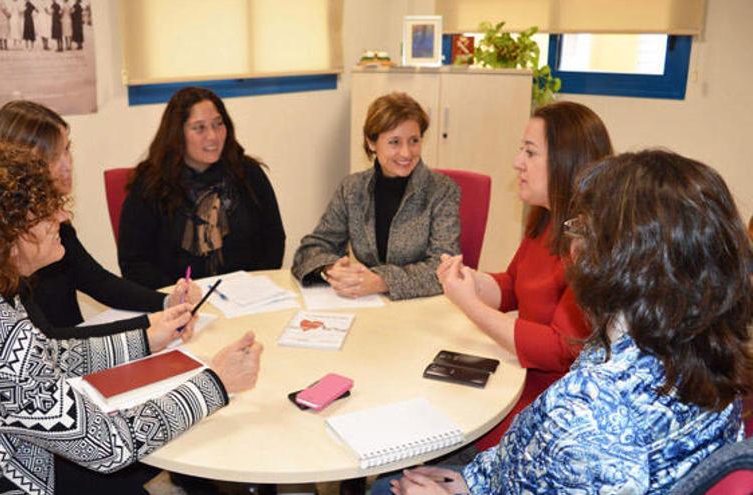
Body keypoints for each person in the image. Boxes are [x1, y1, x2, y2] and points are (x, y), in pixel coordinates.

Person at [0, 145, 263, 495]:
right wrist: (216, 383)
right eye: (45, 211)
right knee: (129, 462)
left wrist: (147, 338)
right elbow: (107, 446)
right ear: (3, 237)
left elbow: (44, 355)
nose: (62, 214)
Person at [376, 149, 753, 494]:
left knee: (384, 483)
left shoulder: (591, 413)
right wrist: (473, 479)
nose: (573, 245)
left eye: (582, 230)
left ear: (619, 263)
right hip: (505, 476)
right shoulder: (710, 350)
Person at [437, 101, 612, 448]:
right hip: (515, 382)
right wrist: (471, 281)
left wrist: (471, 305)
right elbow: (514, 285)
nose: (518, 162)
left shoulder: (590, 244)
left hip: (542, 411)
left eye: (530, 153)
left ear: (567, 162)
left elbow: (560, 348)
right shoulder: (548, 219)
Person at [0, 100, 201, 344]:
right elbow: (48, 342)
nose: (68, 165)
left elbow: (98, 281)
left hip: (81, 352)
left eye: (67, 149)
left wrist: (165, 302)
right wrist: (148, 328)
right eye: (54, 156)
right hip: (66, 363)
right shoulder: (4, 247)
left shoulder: (53, 221)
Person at [292, 92, 459, 301]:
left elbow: (445, 267)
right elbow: (310, 249)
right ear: (372, 143)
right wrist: (332, 267)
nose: (406, 153)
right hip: (369, 304)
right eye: (394, 142)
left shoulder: (442, 190)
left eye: (414, 141)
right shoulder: (352, 188)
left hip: (423, 307)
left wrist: (381, 281)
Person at [119, 87, 286, 289]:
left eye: (218, 124)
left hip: (247, 298)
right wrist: (176, 296)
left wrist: (255, 287)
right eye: (199, 128)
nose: (212, 136)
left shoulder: (248, 174)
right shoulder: (151, 185)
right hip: (178, 303)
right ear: (177, 133)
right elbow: (134, 263)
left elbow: (274, 240)